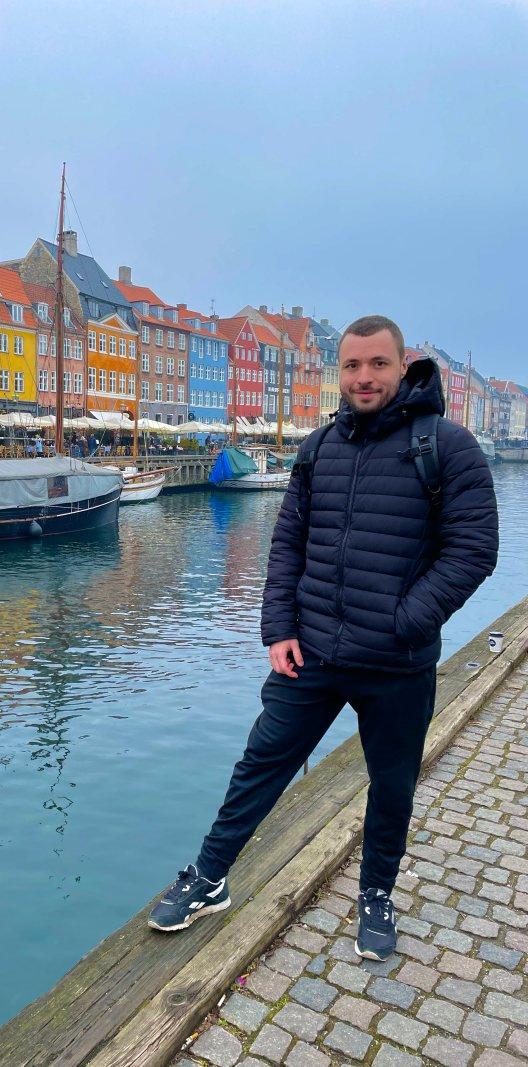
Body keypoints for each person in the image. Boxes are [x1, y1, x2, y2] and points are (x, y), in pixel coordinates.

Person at [148, 315, 498, 962]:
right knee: (260, 764)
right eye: (352, 366)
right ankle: (210, 874)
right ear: (339, 372)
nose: (364, 377)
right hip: (310, 650)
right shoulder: (319, 448)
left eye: (377, 364)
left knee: (391, 783)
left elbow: (474, 550)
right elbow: (287, 544)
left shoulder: (447, 447)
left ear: (403, 366)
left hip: (397, 661)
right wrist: (279, 627)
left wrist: (405, 622)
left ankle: (376, 893)